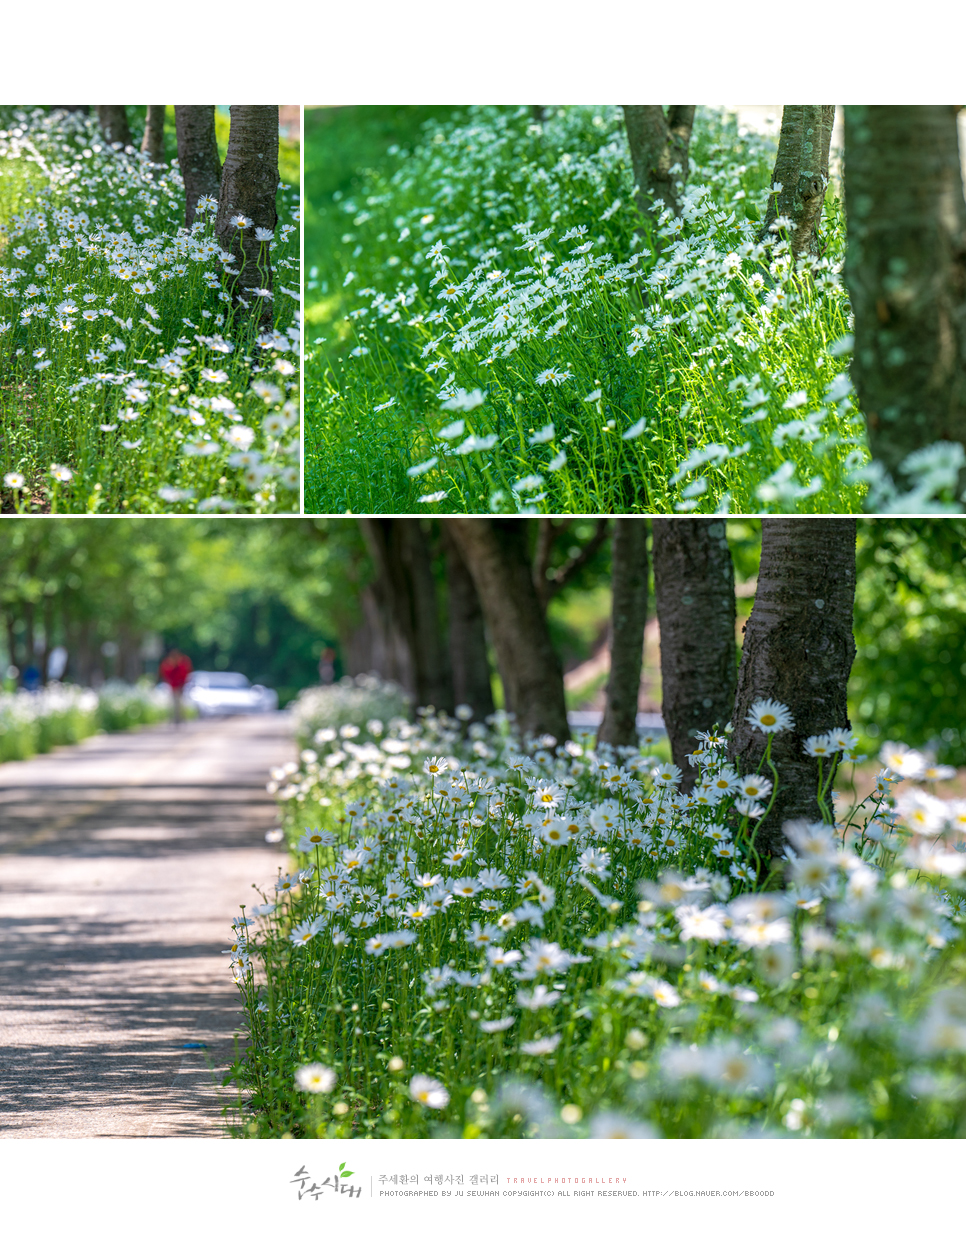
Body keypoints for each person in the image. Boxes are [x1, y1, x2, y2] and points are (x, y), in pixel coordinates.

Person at [159, 648, 193, 726]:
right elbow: (165, 673)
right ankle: (174, 720)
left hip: (181, 687)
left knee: (180, 704)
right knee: (172, 704)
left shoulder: (182, 663)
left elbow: (185, 674)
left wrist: (182, 684)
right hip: (172, 687)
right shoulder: (168, 664)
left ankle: (181, 719)